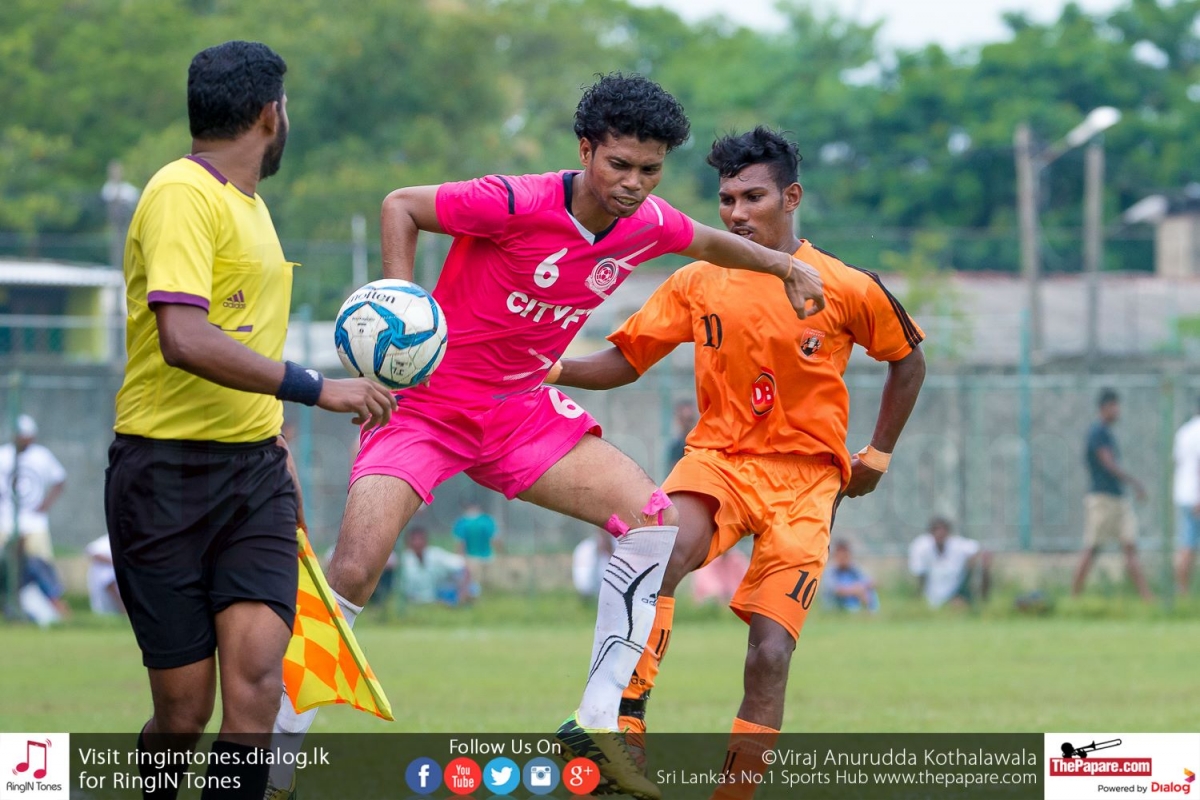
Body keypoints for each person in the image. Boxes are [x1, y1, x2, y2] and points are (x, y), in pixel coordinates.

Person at [267, 74, 825, 800]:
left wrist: (784, 266)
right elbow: (400, 204)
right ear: (585, 150)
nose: (633, 184)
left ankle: (597, 720)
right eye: (618, 164)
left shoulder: (648, 221)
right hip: (427, 409)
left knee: (651, 521)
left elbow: (712, 242)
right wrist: (402, 302)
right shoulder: (513, 200)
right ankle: (274, 763)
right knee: (352, 572)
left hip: (520, 412)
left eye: (650, 170)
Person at [549, 126, 926, 799]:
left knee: (770, 655)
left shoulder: (845, 285)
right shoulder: (697, 280)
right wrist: (550, 368)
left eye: (753, 197)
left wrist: (878, 454)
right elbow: (625, 361)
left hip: (806, 483)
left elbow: (908, 359)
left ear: (792, 197)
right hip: (718, 460)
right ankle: (622, 730)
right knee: (655, 552)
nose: (737, 213)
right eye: (727, 200)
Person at [104, 41, 395, 800]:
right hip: (163, 475)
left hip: (254, 475)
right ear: (272, 114)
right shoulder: (180, 194)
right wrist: (315, 388)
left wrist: (278, 443)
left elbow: (246, 345)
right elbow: (184, 337)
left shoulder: (253, 208)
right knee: (183, 713)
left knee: (259, 687)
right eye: (285, 107)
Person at [1071, 389, 1153, 600]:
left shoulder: (1106, 432)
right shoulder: (1097, 432)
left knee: (1130, 546)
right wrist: (1135, 483)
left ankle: (1147, 598)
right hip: (1102, 499)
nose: (1117, 410)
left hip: (1118, 498)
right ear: (1104, 408)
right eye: (1114, 406)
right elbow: (1109, 464)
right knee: (1092, 548)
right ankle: (1074, 596)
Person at [0, 414, 67, 587]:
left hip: (35, 521)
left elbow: (59, 479)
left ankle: (51, 596)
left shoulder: (41, 455)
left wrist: (45, 505)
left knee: (42, 562)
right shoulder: (3, 454)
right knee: (5, 561)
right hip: (6, 519)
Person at [908, 517, 990, 608]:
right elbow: (919, 573)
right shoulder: (921, 547)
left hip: (956, 589)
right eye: (936, 530)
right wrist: (919, 595)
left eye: (943, 530)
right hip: (932, 593)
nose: (940, 533)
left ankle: (982, 601)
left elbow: (979, 549)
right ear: (931, 532)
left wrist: (979, 563)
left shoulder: (957, 544)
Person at [399, 527, 473, 605]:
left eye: (420, 539)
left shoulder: (436, 555)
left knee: (472, 589)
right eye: (414, 539)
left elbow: (462, 565)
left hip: (443, 593)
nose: (417, 543)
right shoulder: (404, 561)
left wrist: (463, 592)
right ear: (408, 543)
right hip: (420, 600)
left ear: (426, 541)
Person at [1172, 399, 1200, 595]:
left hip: (1183, 494)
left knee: (1186, 543)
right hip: (1196, 496)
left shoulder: (1184, 431)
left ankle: (1182, 591)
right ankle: (1183, 591)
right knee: (1188, 545)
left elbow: (1178, 461)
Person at [453, 500, 500, 588]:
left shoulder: (462, 522)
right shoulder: (487, 520)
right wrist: (500, 554)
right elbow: (494, 540)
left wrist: (459, 558)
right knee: (487, 584)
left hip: (470, 558)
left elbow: (460, 543)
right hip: (487, 557)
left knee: (473, 584)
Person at [825, 540, 879, 613]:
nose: (843, 559)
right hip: (837, 603)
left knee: (869, 590)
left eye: (845, 556)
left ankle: (871, 612)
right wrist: (854, 590)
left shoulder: (853, 567)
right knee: (846, 582)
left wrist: (861, 587)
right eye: (841, 556)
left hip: (856, 595)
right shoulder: (830, 570)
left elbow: (871, 581)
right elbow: (833, 589)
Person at [86, 534, 125, 615]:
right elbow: (93, 552)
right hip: (106, 577)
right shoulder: (107, 541)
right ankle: (124, 611)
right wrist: (116, 562)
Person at [572, 527, 615, 601]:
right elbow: (583, 583)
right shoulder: (585, 548)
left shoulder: (620, 547)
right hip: (590, 595)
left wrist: (610, 553)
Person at [666, 399, 699, 468]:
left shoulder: (704, 444)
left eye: (689, 419)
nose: (687, 424)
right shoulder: (676, 447)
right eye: (683, 419)